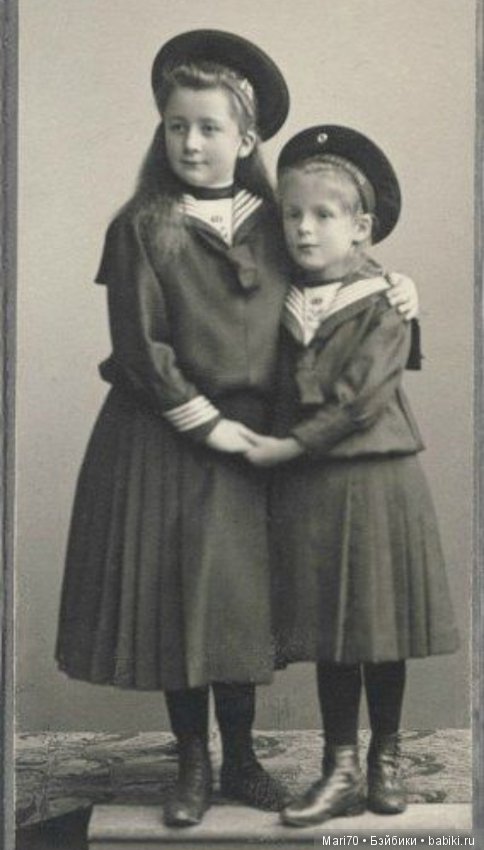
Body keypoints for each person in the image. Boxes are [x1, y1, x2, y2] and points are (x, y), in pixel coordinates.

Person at [55, 30, 418, 827]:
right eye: (176, 126)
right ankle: (193, 759)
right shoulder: (142, 225)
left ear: (247, 139)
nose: (191, 142)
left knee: (240, 602)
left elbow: (336, 271)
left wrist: (397, 286)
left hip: (262, 441)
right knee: (180, 602)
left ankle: (244, 757)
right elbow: (140, 348)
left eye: (209, 127)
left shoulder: (279, 220)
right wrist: (206, 424)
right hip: (166, 435)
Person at [244, 125, 459, 826]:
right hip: (313, 490)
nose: (304, 229)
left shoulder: (383, 301)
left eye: (323, 215)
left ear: (361, 227)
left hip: (375, 481)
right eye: (293, 215)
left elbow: (362, 399)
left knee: (379, 626)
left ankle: (384, 759)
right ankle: (338, 767)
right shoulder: (280, 297)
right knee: (331, 629)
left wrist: (289, 445)